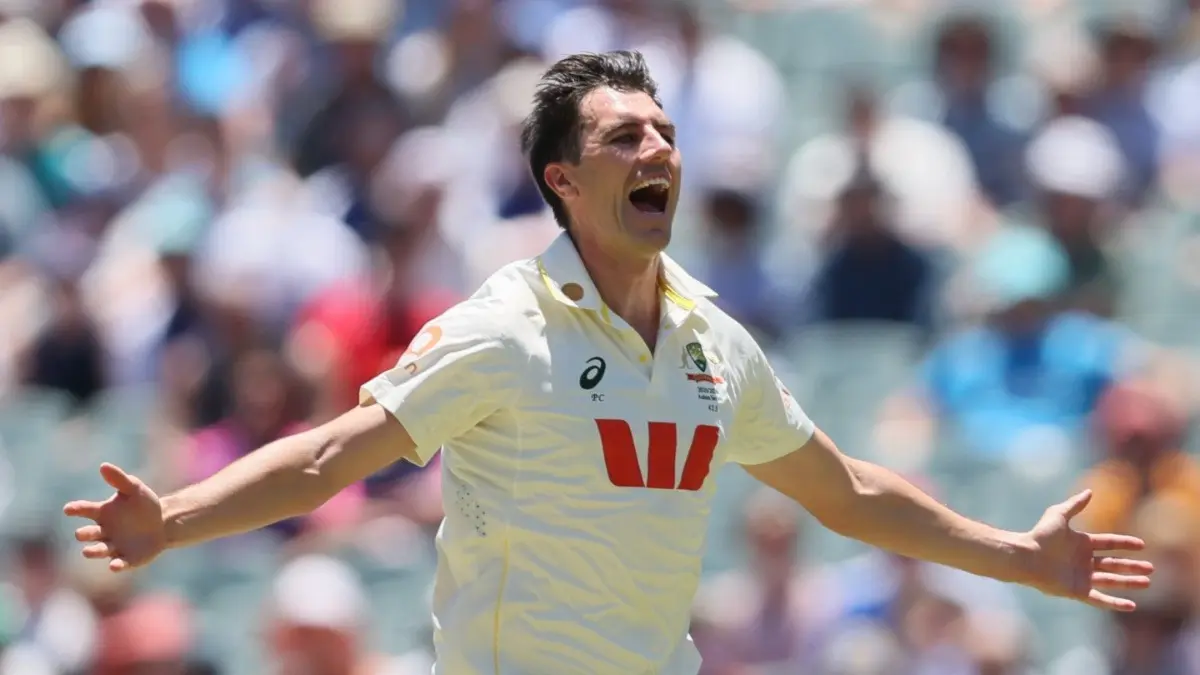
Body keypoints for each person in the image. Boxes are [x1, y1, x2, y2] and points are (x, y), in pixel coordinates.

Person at [64, 51, 1153, 675]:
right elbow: (330, 458)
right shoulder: (505, 328)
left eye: (665, 132)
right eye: (624, 138)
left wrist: (1017, 555)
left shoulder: (713, 343)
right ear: (561, 183)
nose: (658, 152)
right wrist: (174, 518)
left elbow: (849, 490)